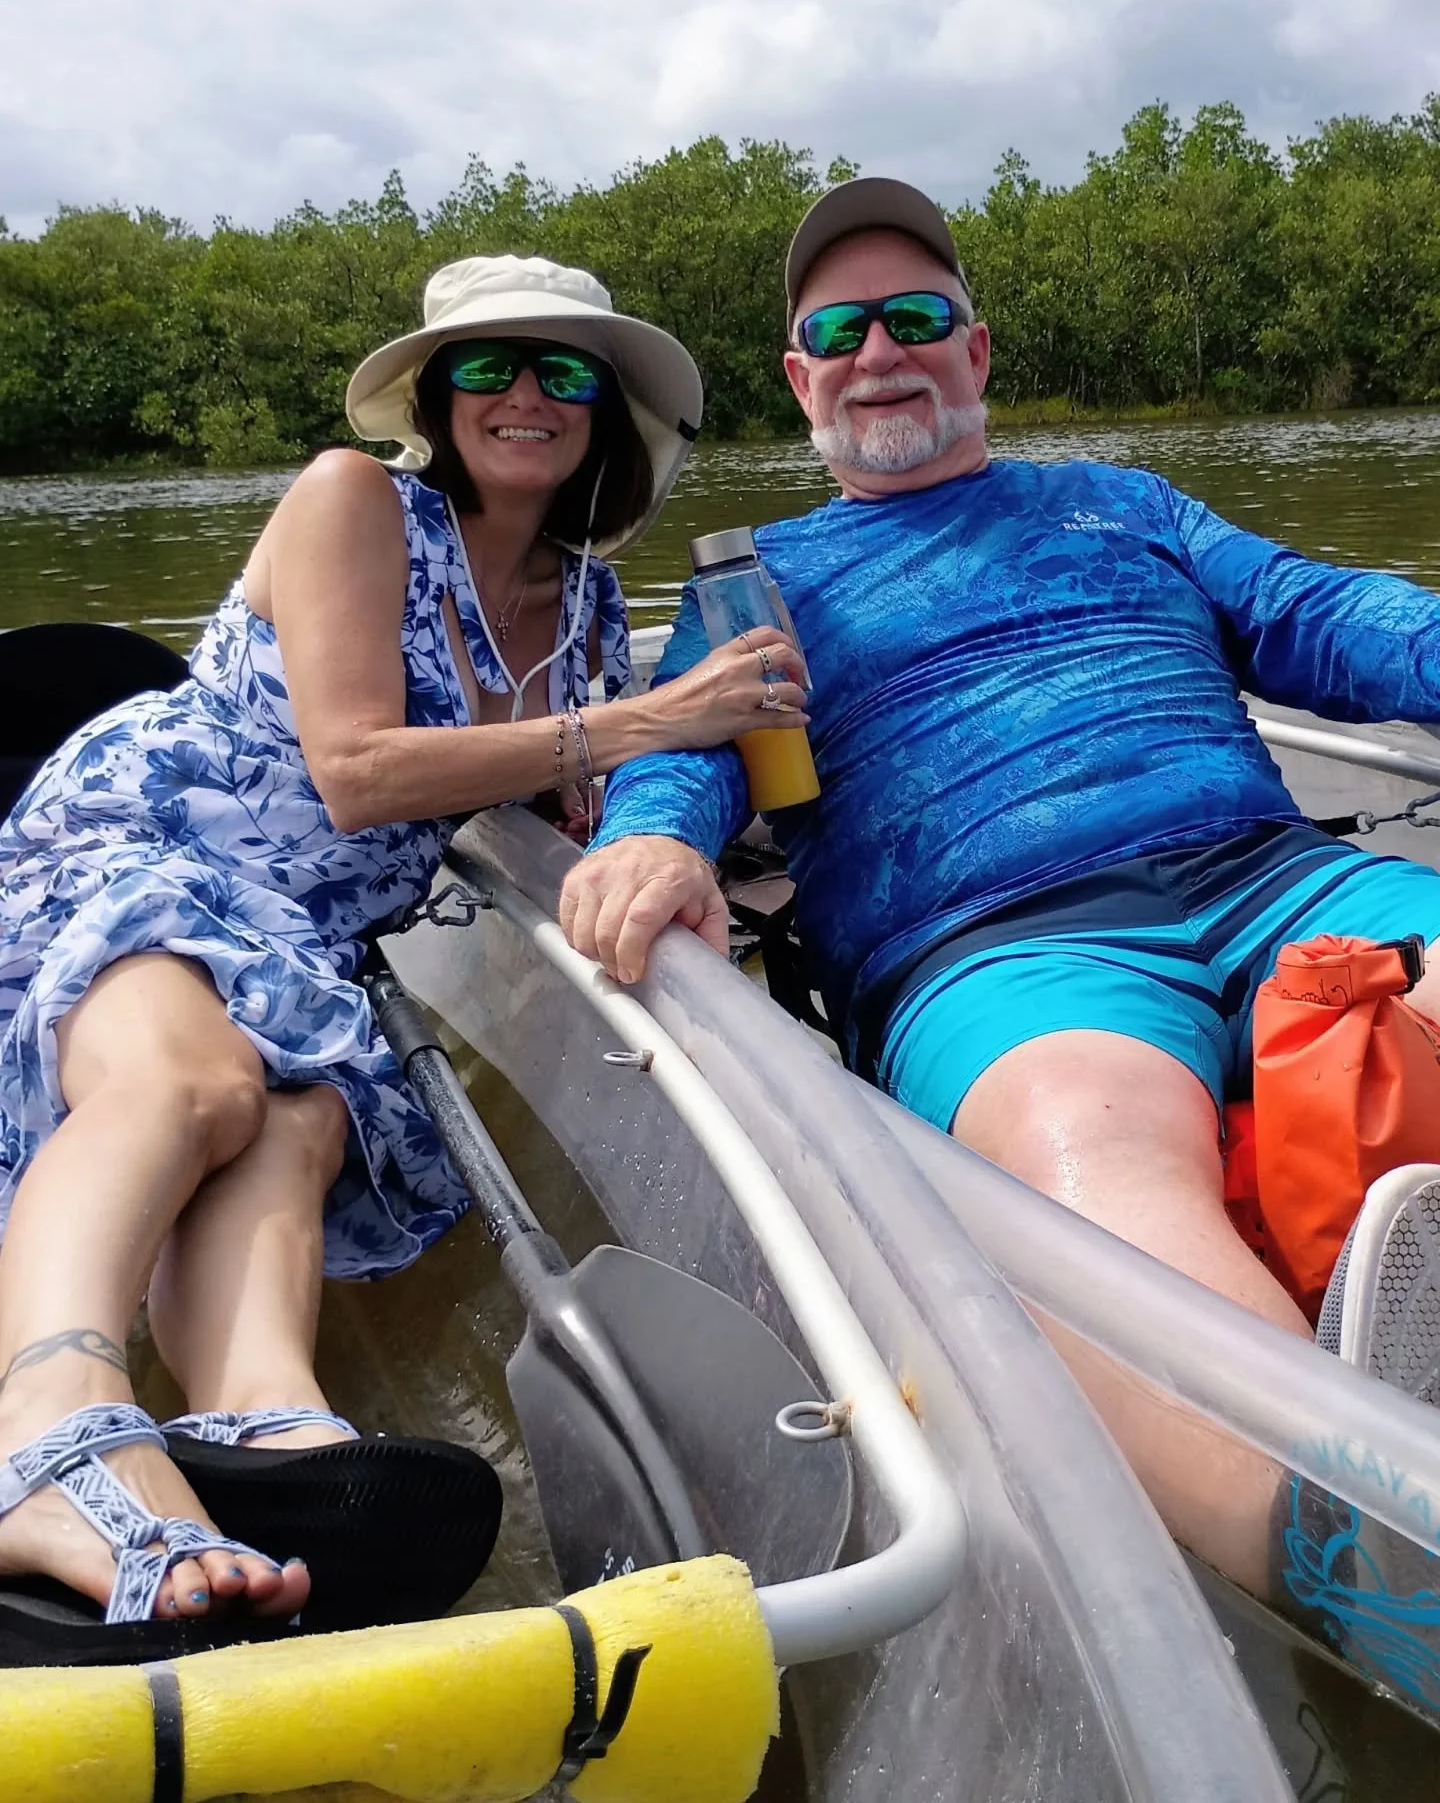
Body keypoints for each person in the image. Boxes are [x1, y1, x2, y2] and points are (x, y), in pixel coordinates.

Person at [559, 179, 1440, 1699]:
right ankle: (1373, 1568)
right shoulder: (753, 586)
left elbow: (1328, 619)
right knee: (1083, 1157)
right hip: (1004, 948)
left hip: (1280, 880)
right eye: (841, 328)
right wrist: (651, 835)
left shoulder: (1124, 503)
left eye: (916, 318)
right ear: (799, 377)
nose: (880, 350)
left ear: (976, 352)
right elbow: (680, 758)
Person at [0, 252, 806, 1660]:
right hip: (149, 844)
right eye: (489, 366)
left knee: (304, 1122)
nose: (527, 395)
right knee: (199, 1088)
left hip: (307, 935)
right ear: (436, 396)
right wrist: (636, 728)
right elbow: (363, 770)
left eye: (567, 372)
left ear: (605, 416)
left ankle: (262, 1426)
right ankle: (47, 1426)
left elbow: (558, 782)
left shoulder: (596, 610)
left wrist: (663, 831)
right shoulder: (352, 499)